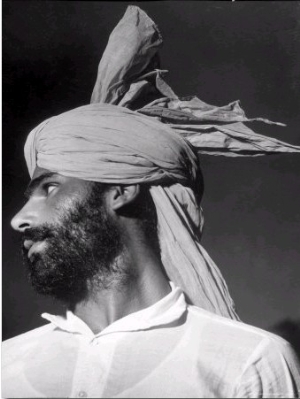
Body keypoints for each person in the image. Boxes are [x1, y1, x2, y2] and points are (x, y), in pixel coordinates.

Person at [2, 6, 300, 398]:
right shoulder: (8, 365)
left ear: (120, 190)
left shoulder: (249, 362)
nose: (19, 220)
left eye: (50, 188)